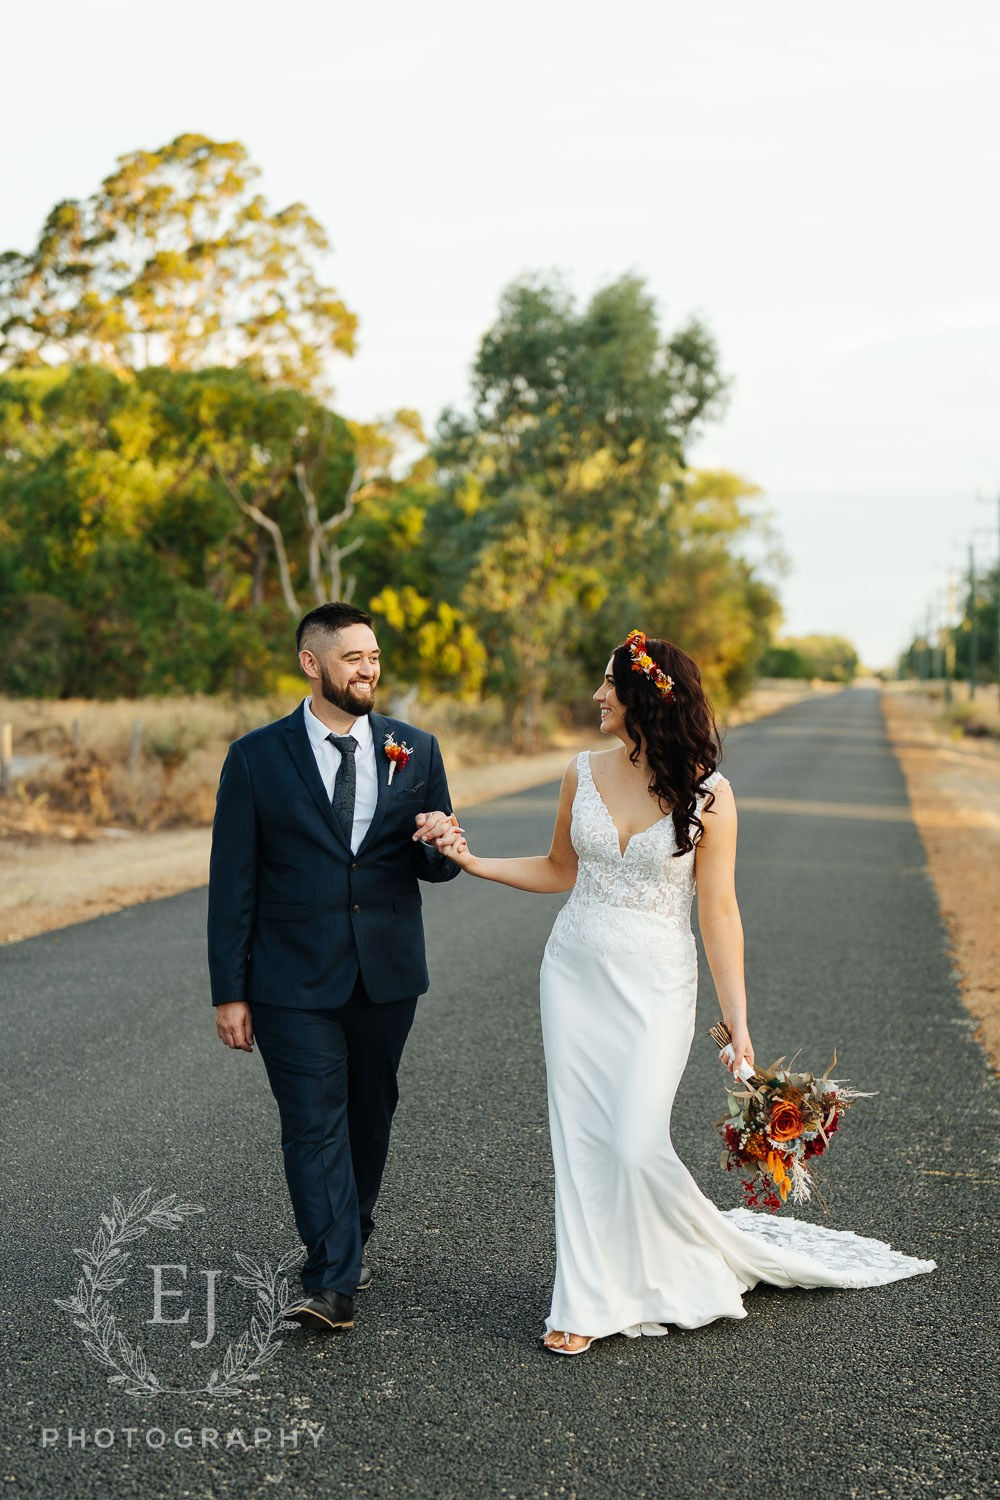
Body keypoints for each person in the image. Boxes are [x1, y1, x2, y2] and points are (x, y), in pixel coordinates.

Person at [427, 630, 934, 1355]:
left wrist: (739, 1022)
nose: (598, 695)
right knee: (581, 1142)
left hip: (659, 982)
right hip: (572, 974)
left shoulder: (712, 795)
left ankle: (691, 1258)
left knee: (633, 1142)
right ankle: (583, 1300)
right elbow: (557, 869)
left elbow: (719, 912)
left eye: (609, 684)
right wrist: (472, 862)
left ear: (645, 697)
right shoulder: (581, 771)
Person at [208, 602, 461, 1334]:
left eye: (374, 656)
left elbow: (435, 865)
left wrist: (438, 842)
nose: (368, 669)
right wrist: (231, 990)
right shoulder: (256, 757)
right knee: (312, 1123)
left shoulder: (415, 747)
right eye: (353, 658)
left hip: (386, 972)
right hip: (289, 978)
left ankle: (351, 1235)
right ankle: (330, 1279)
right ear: (311, 664)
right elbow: (234, 882)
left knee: (369, 1115)